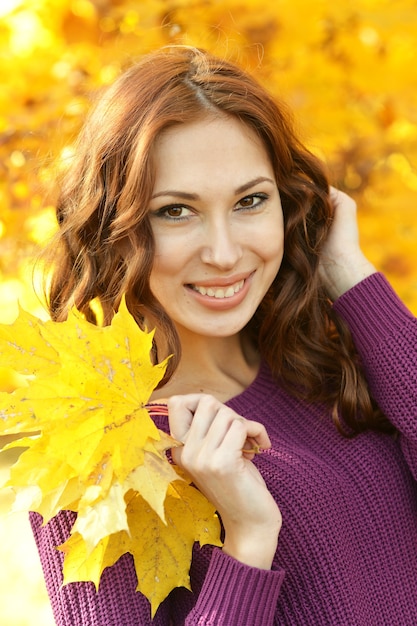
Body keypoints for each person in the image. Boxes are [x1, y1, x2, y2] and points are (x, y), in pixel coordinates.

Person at [30, 45, 417, 625]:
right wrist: (250, 541)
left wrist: (353, 278)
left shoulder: (323, 352)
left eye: (249, 201)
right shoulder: (100, 455)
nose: (225, 252)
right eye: (176, 211)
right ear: (115, 226)